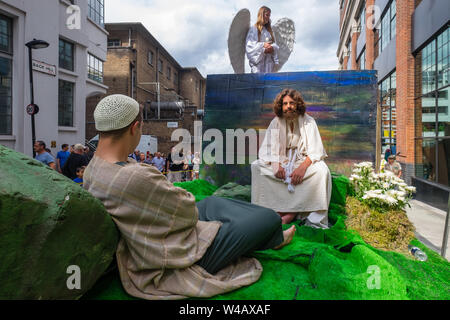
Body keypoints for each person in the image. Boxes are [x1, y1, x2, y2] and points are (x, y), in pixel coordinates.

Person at [83, 94, 295, 300]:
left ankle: (267, 232)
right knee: (268, 218)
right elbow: (186, 209)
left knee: (213, 202)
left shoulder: (93, 168)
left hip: (159, 235)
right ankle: (273, 232)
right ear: (134, 128)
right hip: (178, 258)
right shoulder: (134, 176)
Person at [251, 89, 332, 228]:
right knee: (257, 166)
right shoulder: (275, 122)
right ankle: (270, 212)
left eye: (292, 103)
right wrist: (276, 165)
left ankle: (310, 218)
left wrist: (302, 168)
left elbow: (315, 150)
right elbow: (268, 148)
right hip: (280, 160)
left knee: (322, 171)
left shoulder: (308, 121)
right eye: (285, 103)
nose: (288, 106)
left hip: (302, 160)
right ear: (281, 106)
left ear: (297, 104)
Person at [245, 6, 279, 73]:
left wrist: (272, 48)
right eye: (267, 15)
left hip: (269, 67)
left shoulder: (269, 31)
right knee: (258, 82)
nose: (268, 17)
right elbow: (250, 47)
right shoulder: (254, 29)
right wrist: (263, 47)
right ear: (261, 14)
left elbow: (275, 45)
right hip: (258, 68)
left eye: (269, 15)